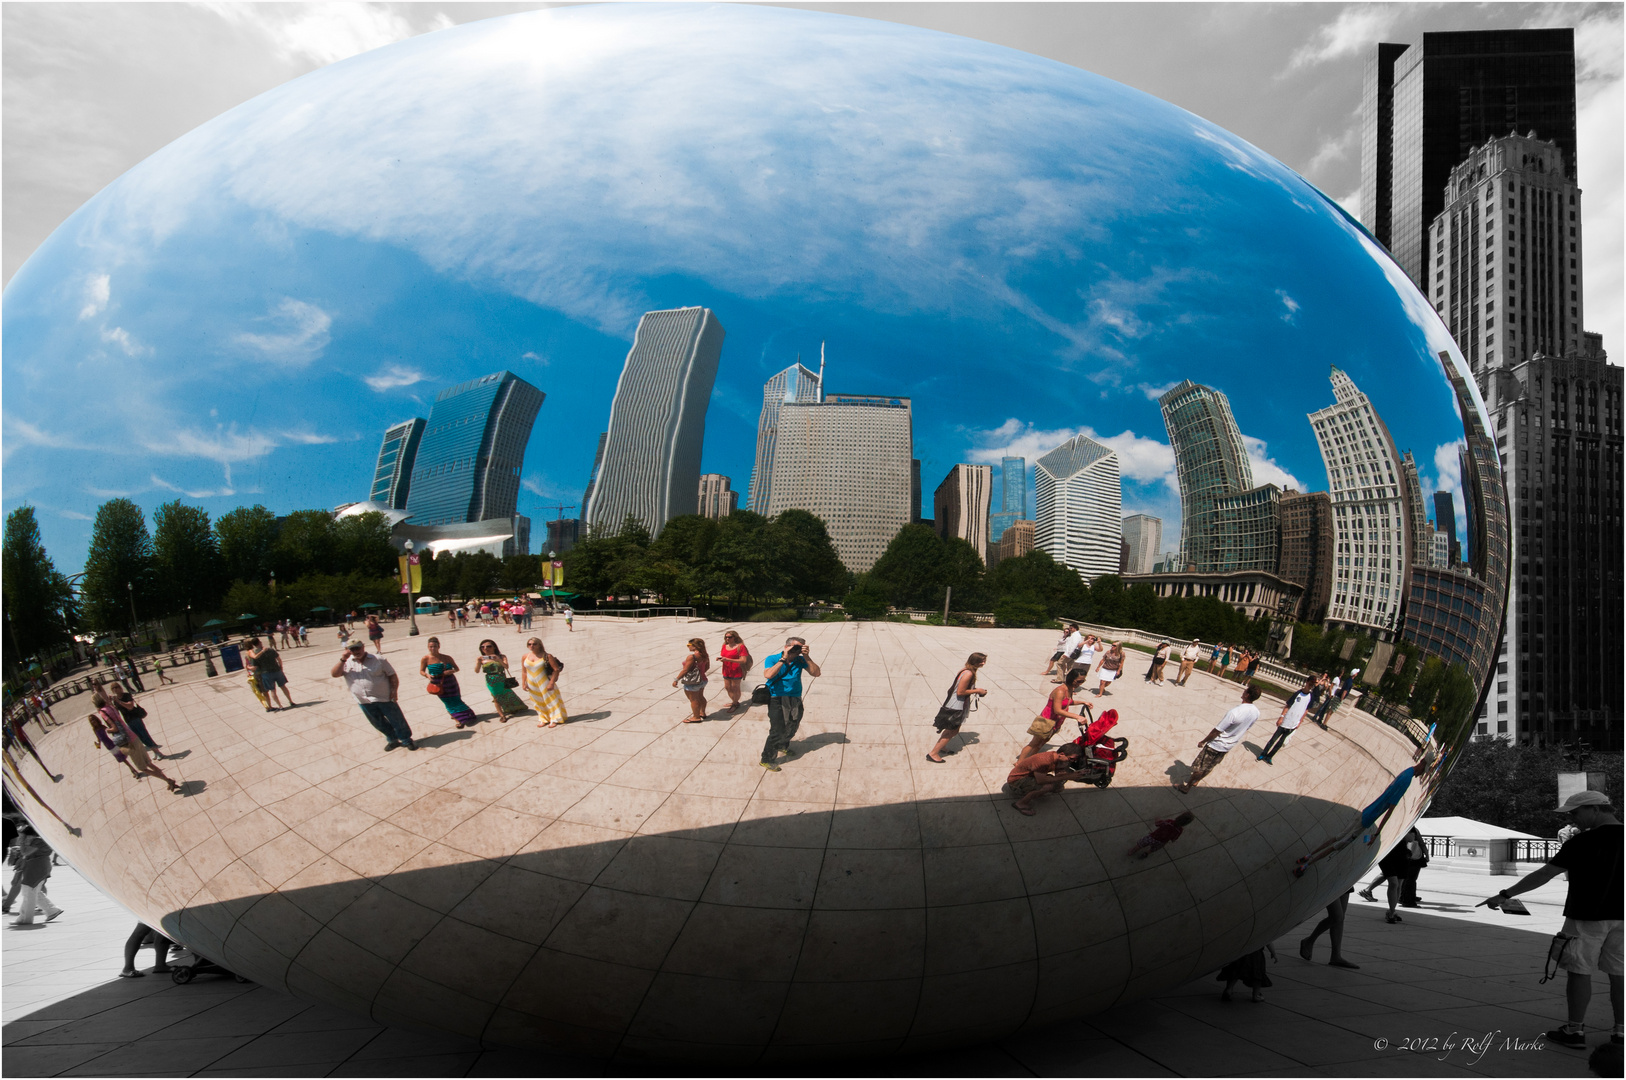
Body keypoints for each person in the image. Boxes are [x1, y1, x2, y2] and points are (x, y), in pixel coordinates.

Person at [1482, 791, 1622, 1050]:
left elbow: (1545, 873)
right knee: (1621, 974)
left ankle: (1575, 1030)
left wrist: (1505, 895)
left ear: (1594, 809)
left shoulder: (1582, 842)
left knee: (1579, 972)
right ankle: (1621, 1032)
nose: (1572, 818)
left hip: (1585, 917)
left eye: (1575, 812)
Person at [1294, 750, 1436, 876]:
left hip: (1366, 811)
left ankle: (1308, 856)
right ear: (1423, 764)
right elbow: (1390, 810)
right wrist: (1377, 833)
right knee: (1337, 845)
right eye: (1425, 770)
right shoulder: (1407, 780)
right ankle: (1306, 865)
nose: (1423, 774)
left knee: (1338, 837)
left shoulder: (1407, 771)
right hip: (1368, 818)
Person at [331, 640, 417, 752]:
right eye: (353, 649)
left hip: (383, 697)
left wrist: (394, 691)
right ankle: (392, 739)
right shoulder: (346, 663)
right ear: (348, 650)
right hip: (363, 700)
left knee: (396, 719)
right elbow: (334, 674)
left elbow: (392, 675)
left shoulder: (378, 659)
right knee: (377, 721)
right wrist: (343, 659)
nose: (356, 651)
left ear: (363, 647)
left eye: (358, 648)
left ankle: (406, 739)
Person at [1177, 684, 1263, 794]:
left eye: (1245, 691)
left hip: (1216, 745)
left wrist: (1203, 741)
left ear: (1247, 695)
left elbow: (1217, 731)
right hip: (1228, 746)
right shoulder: (1256, 712)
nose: (1243, 691)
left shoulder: (1234, 712)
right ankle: (1196, 781)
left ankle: (1187, 786)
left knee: (1200, 767)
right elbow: (1247, 727)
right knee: (1210, 766)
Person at [758, 637, 821, 771]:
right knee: (777, 729)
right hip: (777, 698)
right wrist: (783, 659)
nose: (797, 650)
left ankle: (782, 745)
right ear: (786, 646)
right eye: (795, 647)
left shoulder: (800, 659)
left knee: (793, 724)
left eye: (801, 647)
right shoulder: (773, 658)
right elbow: (768, 675)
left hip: (795, 697)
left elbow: (816, 673)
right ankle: (767, 759)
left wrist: (807, 656)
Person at [1017, 668, 1090, 764]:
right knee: (1034, 743)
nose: (1080, 684)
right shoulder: (1060, 691)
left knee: (1041, 743)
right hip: (1046, 721)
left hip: (1056, 722)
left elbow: (1068, 702)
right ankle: (1019, 763)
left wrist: (1083, 702)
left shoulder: (1069, 689)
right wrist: (1077, 716)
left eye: (1082, 681)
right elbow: (1057, 710)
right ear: (1071, 678)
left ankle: (1029, 761)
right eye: (1078, 681)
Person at [927, 653, 988, 763]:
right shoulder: (968, 673)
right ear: (975, 661)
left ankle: (942, 747)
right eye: (981, 661)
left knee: (953, 730)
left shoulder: (966, 670)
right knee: (951, 731)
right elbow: (960, 692)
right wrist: (978, 690)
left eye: (984, 661)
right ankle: (933, 753)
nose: (983, 663)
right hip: (955, 707)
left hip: (955, 705)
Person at [1008, 742, 1085, 816]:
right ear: (1062, 754)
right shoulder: (1043, 761)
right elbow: (1041, 780)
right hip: (1016, 781)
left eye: (1074, 760)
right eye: (1071, 759)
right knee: (1048, 786)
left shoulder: (1059, 759)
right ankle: (1020, 803)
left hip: (1031, 776)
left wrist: (1077, 774)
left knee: (1058, 786)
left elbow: (1060, 774)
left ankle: (1033, 792)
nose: (1071, 761)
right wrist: (1067, 777)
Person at [1257, 676, 1316, 765]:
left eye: (1313, 684)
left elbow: (1306, 710)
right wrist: (1281, 717)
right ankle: (1263, 753)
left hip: (1294, 723)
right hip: (1286, 720)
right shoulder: (1298, 694)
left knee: (1281, 742)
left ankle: (1269, 756)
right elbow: (1288, 706)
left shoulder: (1311, 696)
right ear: (1307, 682)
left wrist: (1300, 722)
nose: (1311, 685)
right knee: (1273, 739)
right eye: (1310, 683)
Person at [419, 638, 476, 729]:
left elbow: (457, 669)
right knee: (447, 702)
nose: (433, 648)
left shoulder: (447, 657)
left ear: (439, 646)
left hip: (451, 682)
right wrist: (427, 675)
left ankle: (466, 715)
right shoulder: (425, 658)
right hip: (438, 683)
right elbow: (421, 671)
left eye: (435, 646)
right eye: (430, 647)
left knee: (457, 700)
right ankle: (457, 719)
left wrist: (451, 671)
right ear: (428, 647)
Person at [8, 832, 62, 927]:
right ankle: (52, 910)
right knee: (34, 891)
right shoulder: (39, 840)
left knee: (29, 892)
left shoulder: (38, 840)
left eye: (22, 834)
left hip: (36, 867)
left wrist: (21, 843)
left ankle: (25, 919)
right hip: (38, 866)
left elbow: (25, 853)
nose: (21, 837)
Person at [1299, 890, 1361, 969]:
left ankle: (1336, 956)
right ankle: (1309, 941)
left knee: (1340, 918)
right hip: (1330, 882)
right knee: (1337, 917)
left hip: (1344, 879)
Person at [104, 681, 162, 755]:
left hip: (135, 718)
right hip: (128, 721)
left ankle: (156, 750)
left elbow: (130, 706)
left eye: (116, 687)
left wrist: (119, 701)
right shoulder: (115, 700)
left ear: (120, 688)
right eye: (113, 688)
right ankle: (154, 750)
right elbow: (116, 712)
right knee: (139, 737)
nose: (115, 689)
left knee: (144, 735)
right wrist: (110, 702)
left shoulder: (126, 695)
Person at [520, 637, 567, 728]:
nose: (532, 646)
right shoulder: (525, 656)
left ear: (539, 645)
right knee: (537, 701)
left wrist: (551, 683)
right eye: (529, 644)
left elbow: (556, 669)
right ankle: (543, 718)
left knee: (551, 700)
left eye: (534, 644)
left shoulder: (547, 656)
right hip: (531, 683)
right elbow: (524, 671)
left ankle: (555, 719)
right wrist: (523, 683)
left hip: (544, 681)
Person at [476, 639, 526, 720]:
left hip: (501, 678)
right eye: (483, 647)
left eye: (488, 646)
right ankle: (501, 715)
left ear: (494, 647)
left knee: (507, 694)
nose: (485, 648)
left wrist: (498, 659)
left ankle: (512, 708)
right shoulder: (481, 659)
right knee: (496, 697)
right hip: (491, 680)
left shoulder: (502, 656)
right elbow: (477, 671)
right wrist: (478, 662)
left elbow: (506, 667)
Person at [247, 638, 295, 711]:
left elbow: (255, 667)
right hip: (277, 670)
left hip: (266, 673)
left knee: (272, 690)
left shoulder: (255, 654)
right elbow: (279, 659)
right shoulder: (270, 650)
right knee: (283, 687)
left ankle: (280, 706)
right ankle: (290, 701)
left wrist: (248, 667)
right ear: (260, 642)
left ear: (253, 645)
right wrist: (280, 667)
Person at [673, 638, 711, 723]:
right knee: (701, 697)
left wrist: (676, 679)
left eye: (689, 645)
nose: (688, 647)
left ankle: (696, 717)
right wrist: (700, 674)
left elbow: (685, 670)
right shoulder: (705, 655)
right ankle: (702, 713)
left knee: (693, 699)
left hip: (693, 682)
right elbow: (707, 667)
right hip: (703, 679)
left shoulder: (692, 657)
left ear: (694, 646)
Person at [1129, 812, 1195, 858]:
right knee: (1153, 849)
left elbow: (1158, 824)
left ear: (1179, 817)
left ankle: (1132, 851)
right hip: (1162, 842)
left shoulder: (1169, 822)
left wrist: (1157, 819)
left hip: (1154, 837)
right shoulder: (1180, 830)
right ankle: (1146, 853)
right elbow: (1174, 839)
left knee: (1141, 844)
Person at [718, 631, 752, 712]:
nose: (727, 639)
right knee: (727, 687)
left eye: (729, 637)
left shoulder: (741, 647)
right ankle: (735, 701)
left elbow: (743, 660)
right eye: (726, 637)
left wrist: (728, 659)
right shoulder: (724, 646)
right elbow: (725, 656)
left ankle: (734, 703)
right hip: (726, 670)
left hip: (737, 670)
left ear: (735, 637)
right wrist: (721, 659)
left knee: (735, 688)